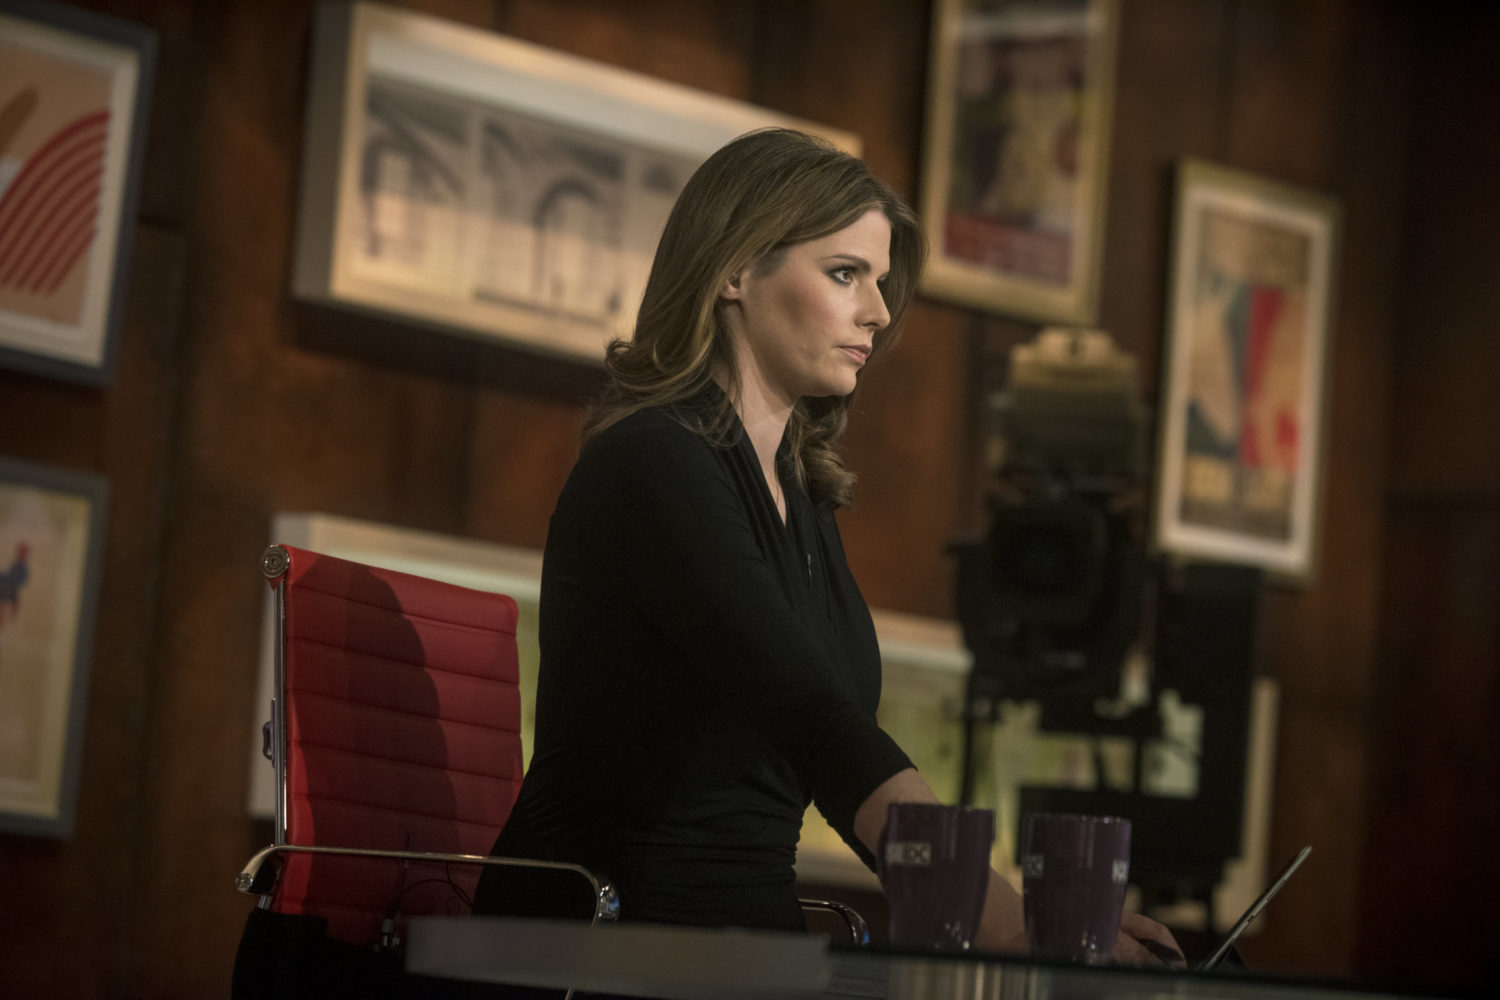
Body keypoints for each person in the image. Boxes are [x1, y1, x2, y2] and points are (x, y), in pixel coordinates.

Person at [473, 128, 1180, 964]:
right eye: (846, 274)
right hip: (601, 946)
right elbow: (816, 722)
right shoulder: (651, 463)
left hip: (742, 947)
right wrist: (1005, 922)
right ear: (735, 270)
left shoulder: (800, 497)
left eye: (880, 281)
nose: (878, 311)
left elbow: (837, 755)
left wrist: (1012, 911)